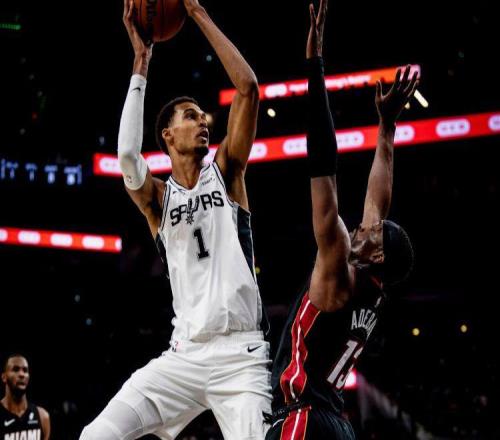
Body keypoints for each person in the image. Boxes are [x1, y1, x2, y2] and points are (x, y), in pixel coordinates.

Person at [80, 0, 271, 439]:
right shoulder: (157, 200)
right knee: (96, 435)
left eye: (203, 116)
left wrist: (197, 12)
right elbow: (127, 157)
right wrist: (141, 62)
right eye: (190, 116)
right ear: (167, 135)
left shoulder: (226, 173)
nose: (203, 122)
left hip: (241, 356)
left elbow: (248, 89)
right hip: (183, 356)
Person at [265, 1, 418, 438]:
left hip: (304, 419)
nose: (364, 225)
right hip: (336, 424)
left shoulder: (338, 264)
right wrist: (386, 128)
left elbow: (323, 170)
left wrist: (314, 67)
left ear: (376, 255)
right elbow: (378, 200)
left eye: (372, 232)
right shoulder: (372, 285)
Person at [1, 354, 50, 440]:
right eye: (15, 369)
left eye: (25, 370)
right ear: (4, 377)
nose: (22, 374)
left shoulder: (43, 417)